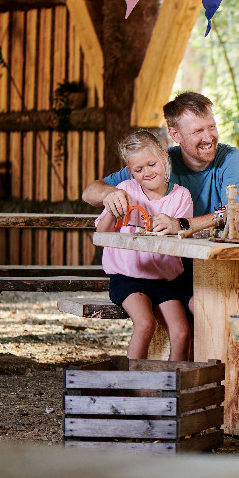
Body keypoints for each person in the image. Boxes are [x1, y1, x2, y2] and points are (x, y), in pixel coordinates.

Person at [83, 92, 239, 326]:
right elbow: (89, 192)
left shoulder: (232, 159)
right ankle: (190, 362)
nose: (209, 137)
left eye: (211, 127)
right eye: (197, 131)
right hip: (174, 269)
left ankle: (212, 362)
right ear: (174, 134)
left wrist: (180, 225)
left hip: (222, 264)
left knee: (204, 306)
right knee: (192, 308)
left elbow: (234, 215)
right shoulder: (157, 163)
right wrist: (110, 193)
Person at [95, 131, 193, 361]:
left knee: (181, 332)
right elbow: (101, 233)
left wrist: (173, 226)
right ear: (131, 172)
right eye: (139, 170)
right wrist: (112, 206)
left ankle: (171, 389)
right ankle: (131, 387)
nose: (147, 172)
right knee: (145, 324)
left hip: (164, 279)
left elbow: (183, 238)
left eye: (152, 164)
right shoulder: (125, 190)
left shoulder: (181, 197)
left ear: (165, 158)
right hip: (127, 277)